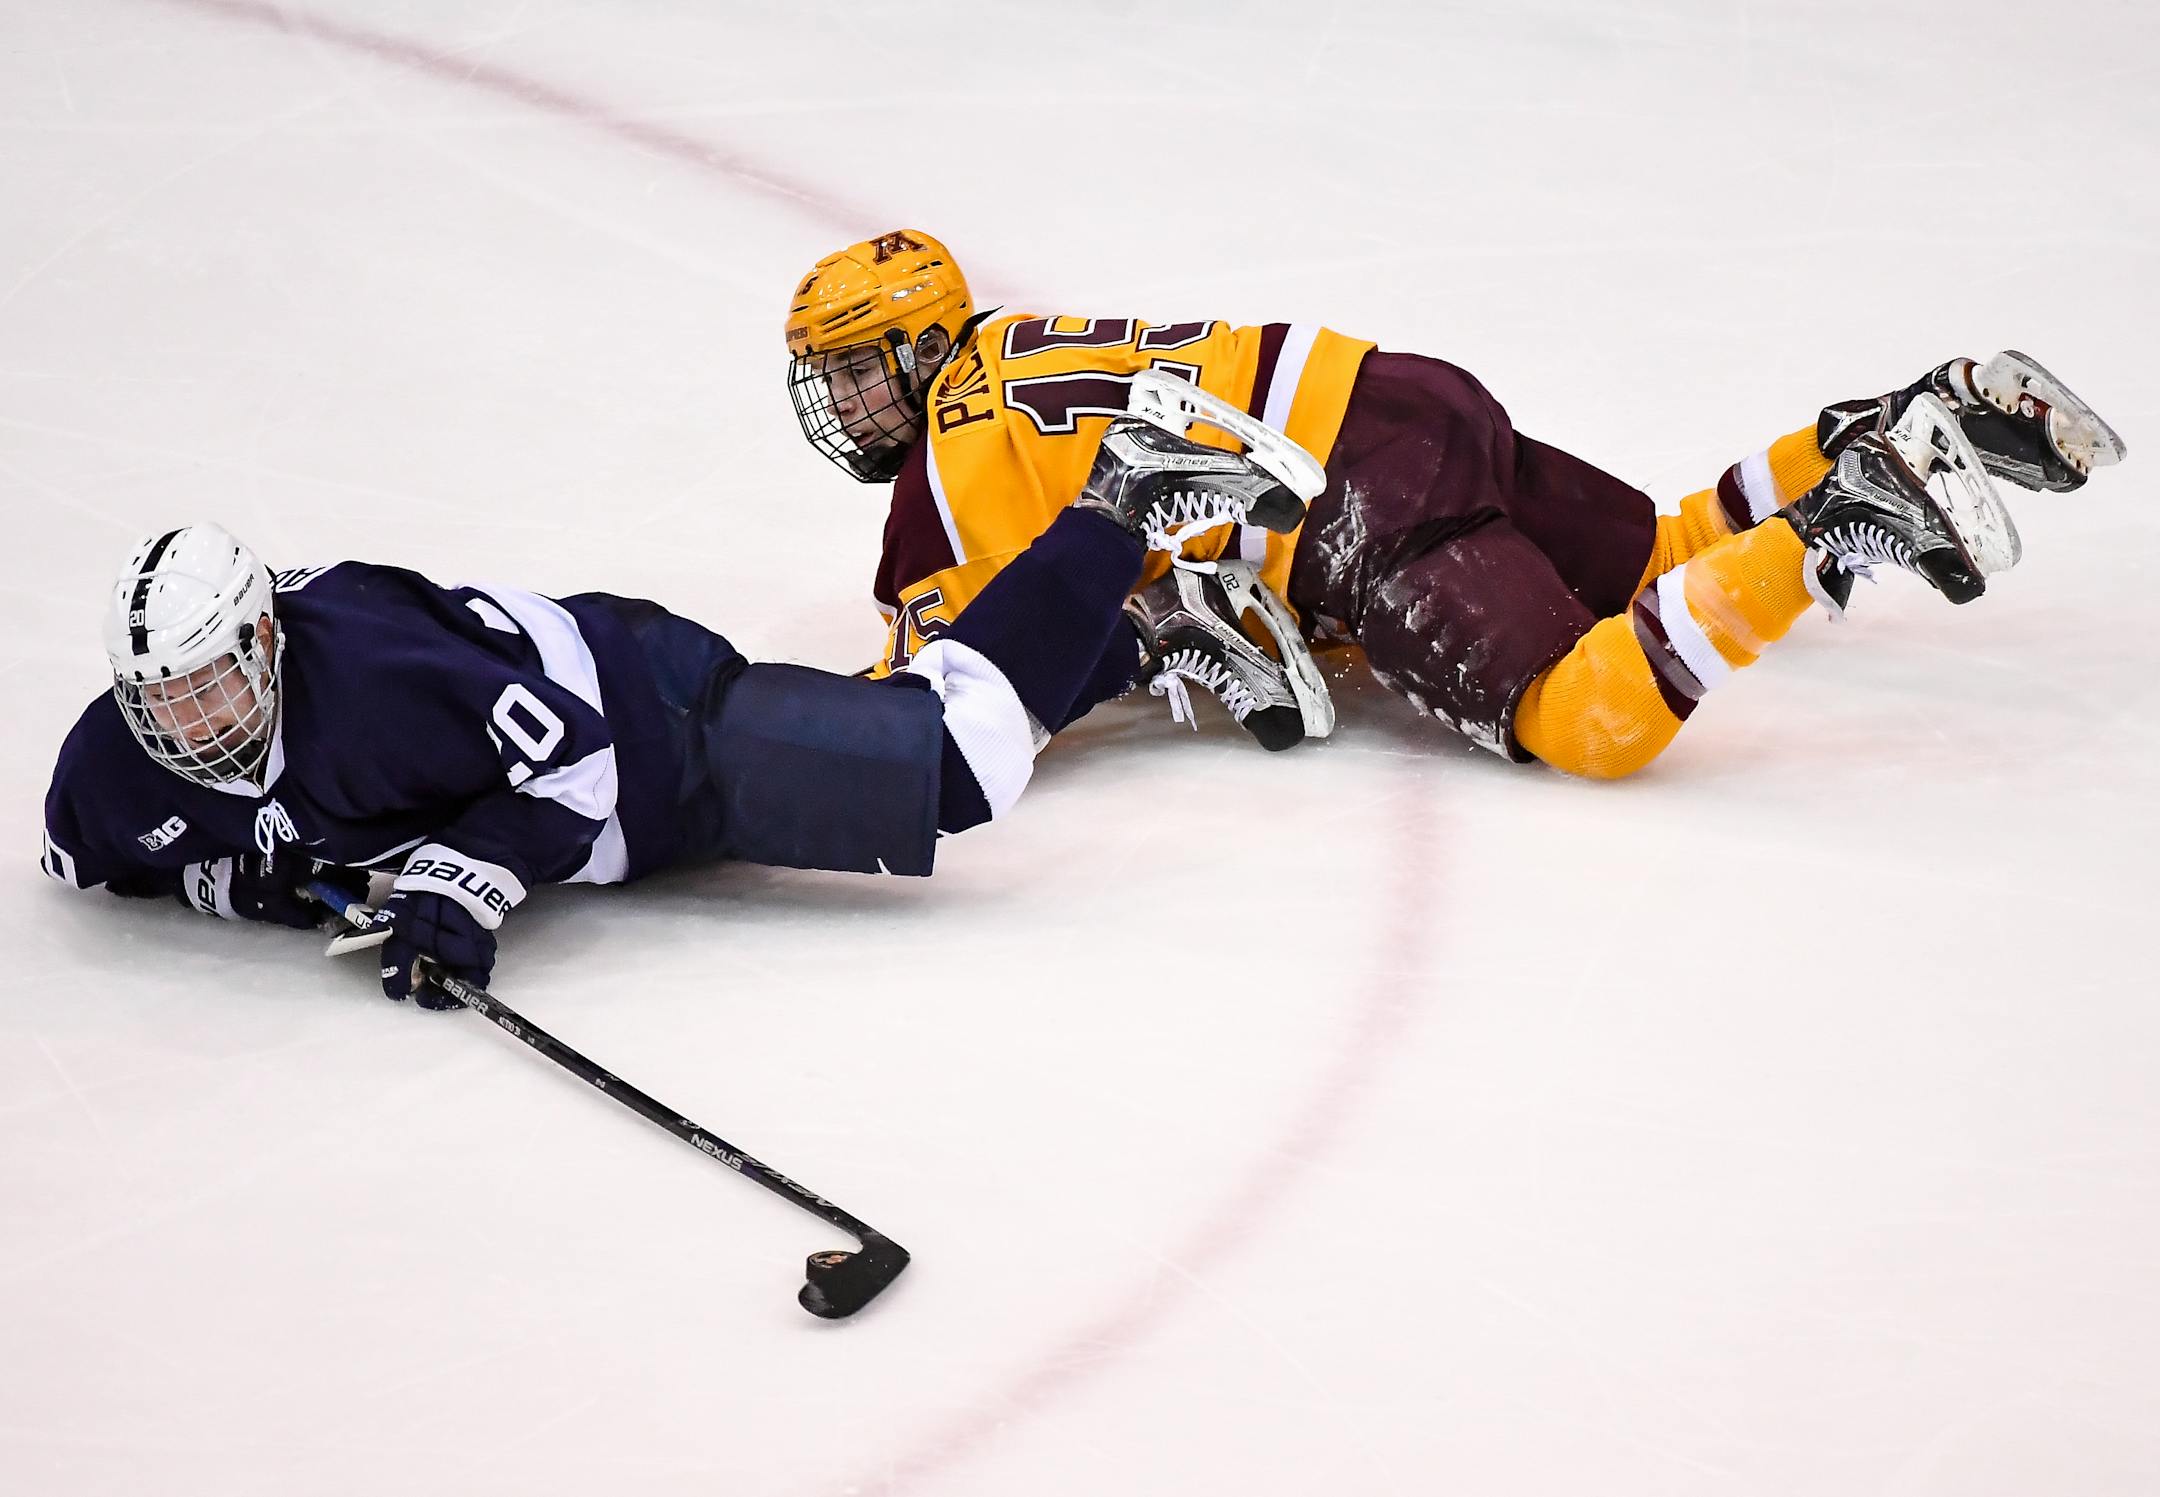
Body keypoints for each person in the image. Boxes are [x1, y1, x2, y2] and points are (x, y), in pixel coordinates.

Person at [39, 405, 1307, 1006]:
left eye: (209, 681)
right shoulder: (114, 768)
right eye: (164, 694)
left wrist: (460, 883)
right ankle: (1145, 633)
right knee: (929, 743)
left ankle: (1120, 497)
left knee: (959, 763)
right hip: (623, 822)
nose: (191, 720)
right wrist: (249, 886)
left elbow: (574, 760)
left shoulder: (372, 673)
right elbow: (114, 861)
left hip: (654, 724)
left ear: (262, 636)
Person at [783, 230, 2127, 776]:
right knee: (1657, 551)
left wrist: (791, 736)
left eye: (853, 373)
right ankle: (1906, 415)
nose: (844, 407)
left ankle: (1849, 511)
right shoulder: (1023, 344)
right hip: (1404, 395)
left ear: (914, 349)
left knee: (1582, 719)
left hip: (1353, 494)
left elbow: (953, 688)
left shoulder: (948, 457)